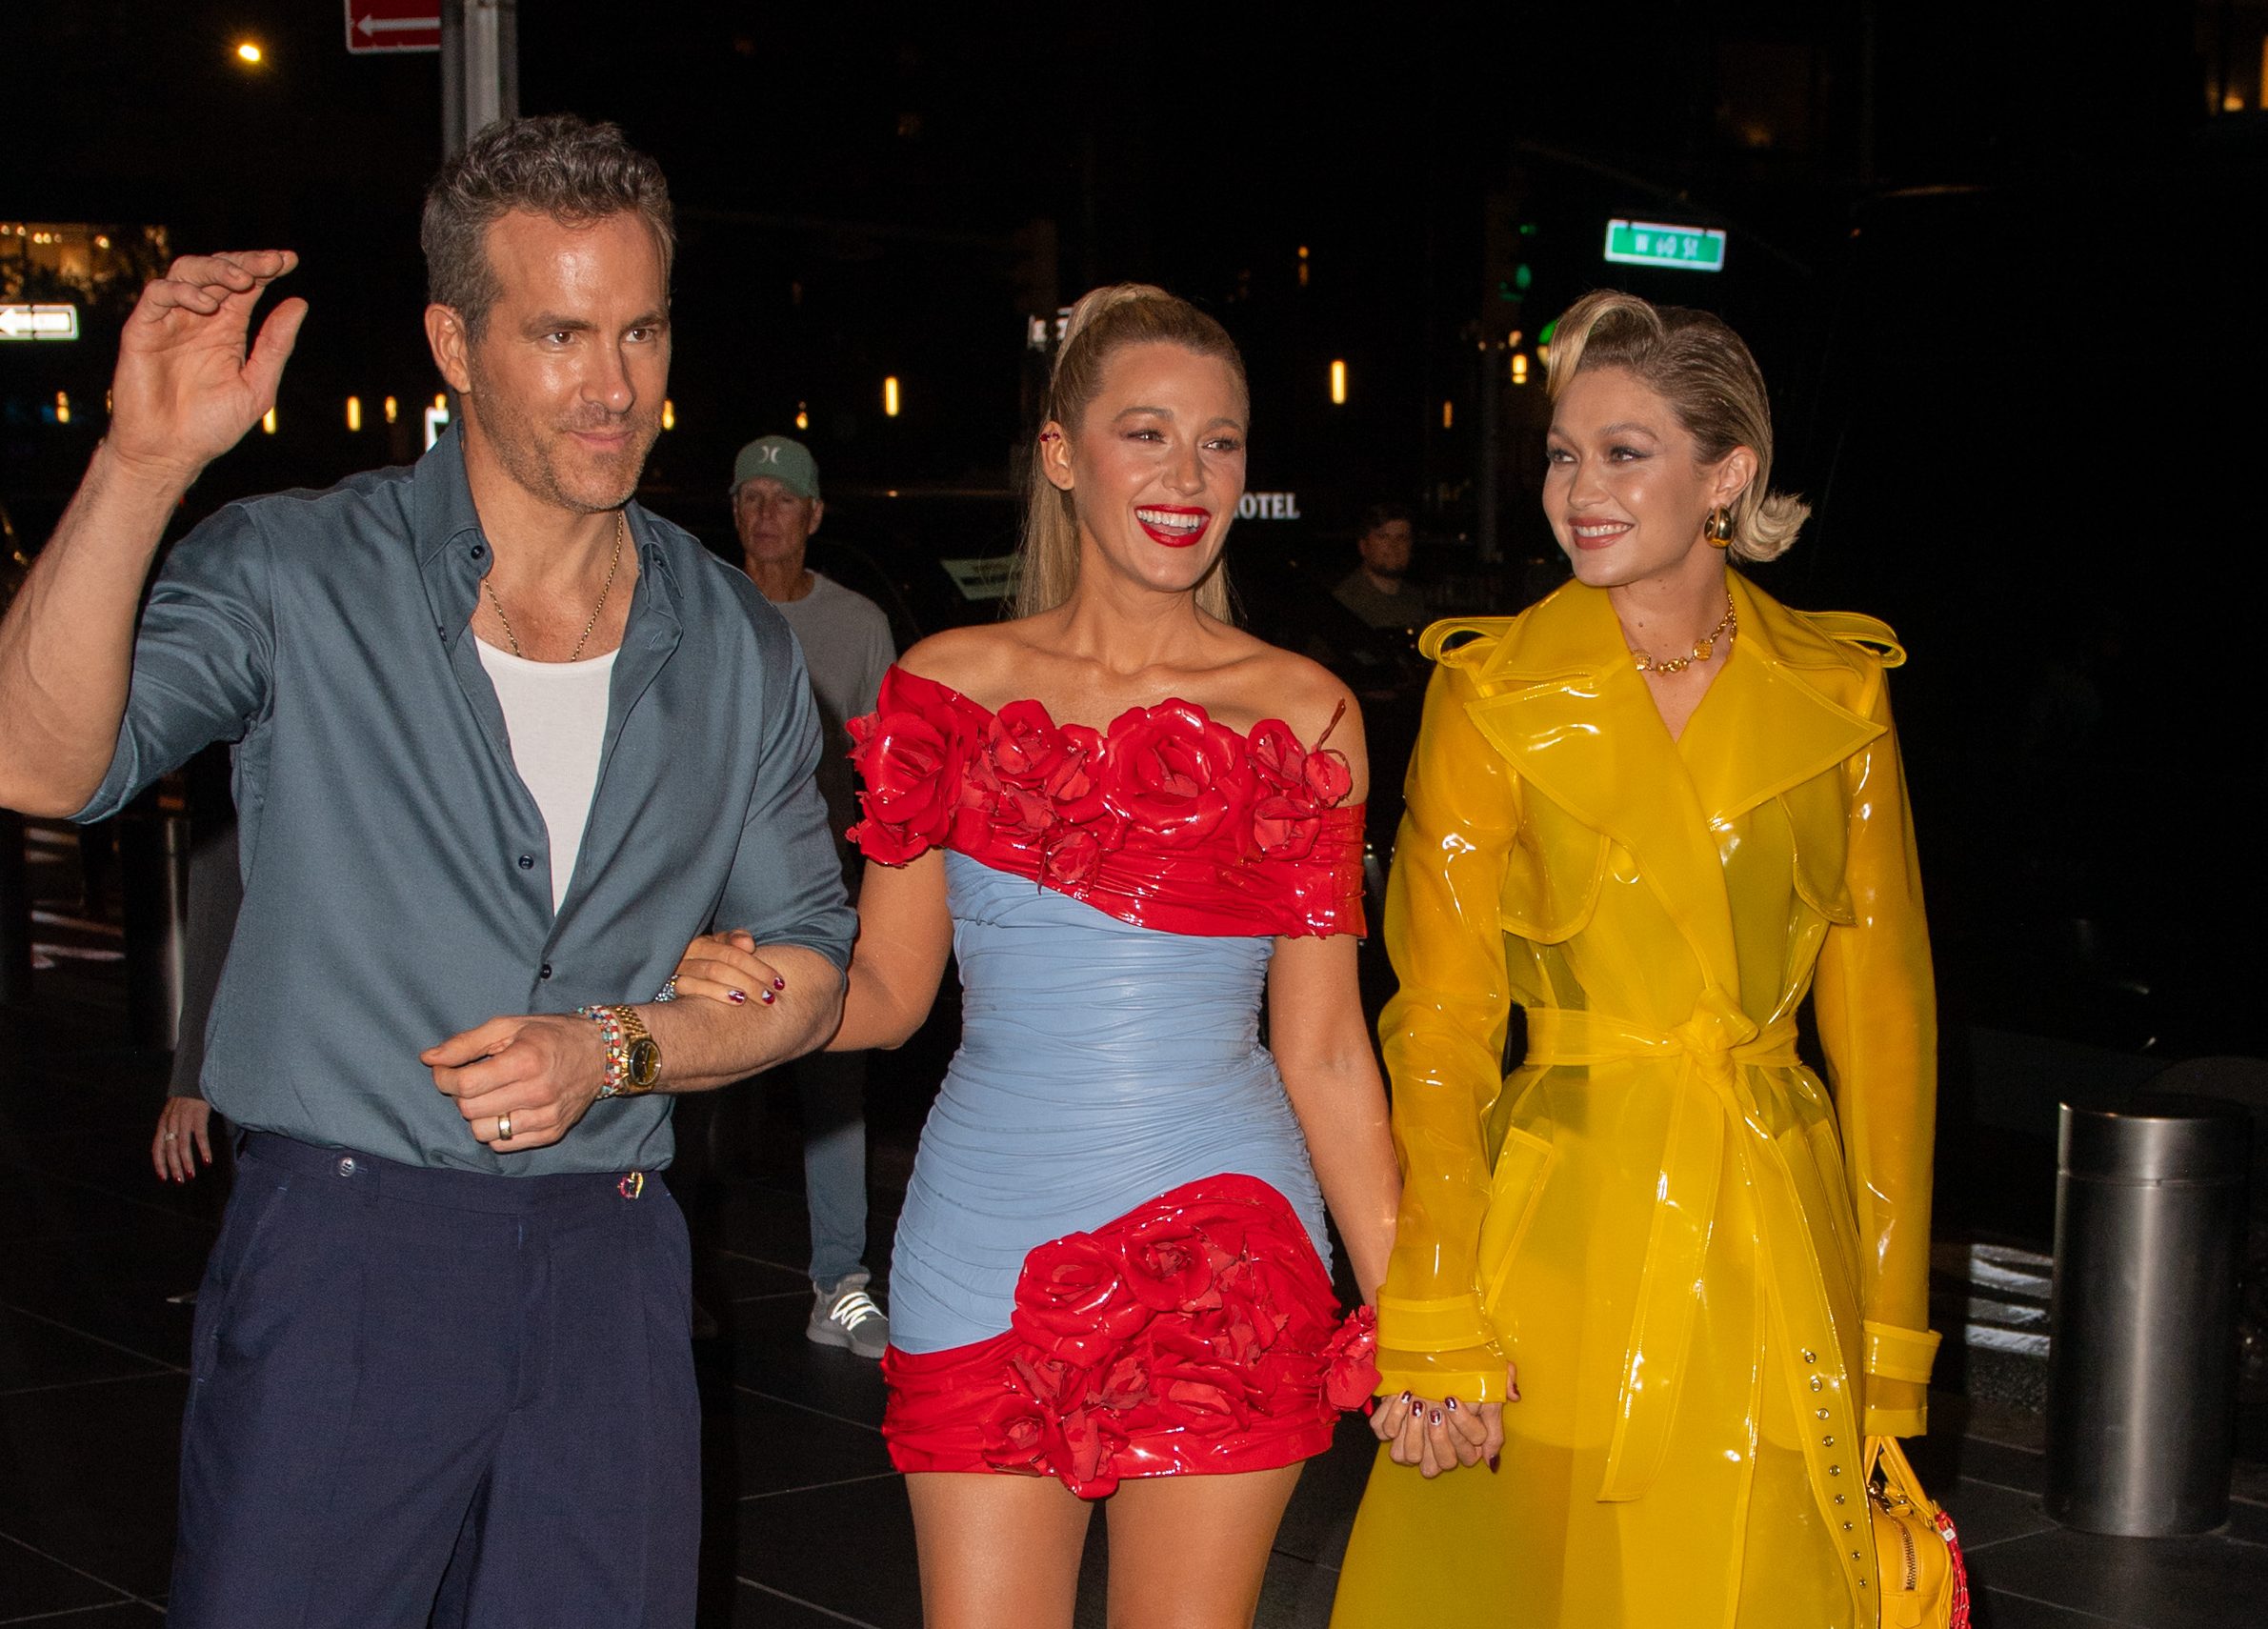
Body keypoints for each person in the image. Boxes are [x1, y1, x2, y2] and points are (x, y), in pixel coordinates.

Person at [0, 114, 853, 1628]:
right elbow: (38, 763)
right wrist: (138, 467)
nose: (615, 386)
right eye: (562, 333)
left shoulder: (733, 643)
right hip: (347, 1251)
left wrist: (620, 1043)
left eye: (641, 327)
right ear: (454, 341)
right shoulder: (292, 571)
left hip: (615, 1252)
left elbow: (810, 964)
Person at [672, 285, 1399, 1629]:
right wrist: (761, 988)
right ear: (1064, 454)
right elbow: (887, 996)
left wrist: (1415, 1310)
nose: (1188, 476)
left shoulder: (1307, 711)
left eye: (1221, 442)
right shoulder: (946, 684)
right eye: (1147, 432)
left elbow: (1324, 1043)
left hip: (1230, 1243)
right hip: (981, 1235)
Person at [1332, 289, 1938, 1628]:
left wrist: (1890, 1339)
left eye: (1624, 452)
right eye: (1561, 451)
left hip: (1775, 1223)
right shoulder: (1490, 690)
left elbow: (1887, 1023)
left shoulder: (1838, 692)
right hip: (1560, 1224)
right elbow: (1435, 1018)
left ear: (1725, 474)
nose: (1577, 490)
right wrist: (1432, 1309)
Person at [729, 432, 894, 1357]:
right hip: (709, 890)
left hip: (818, 887)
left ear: (813, 516)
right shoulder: (697, 605)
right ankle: (655, 1281)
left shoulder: (859, 626)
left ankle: (839, 1281)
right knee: (679, 1076)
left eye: (781, 500)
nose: (764, 515)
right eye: (749, 498)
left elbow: (889, 773)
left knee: (835, 1073)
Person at [1331, 502, 1428, 632]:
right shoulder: (1345, 603)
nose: (1394, 546)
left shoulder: (1416, 600)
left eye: (1402, 537)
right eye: (1383, 537)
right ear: (1363, 546)